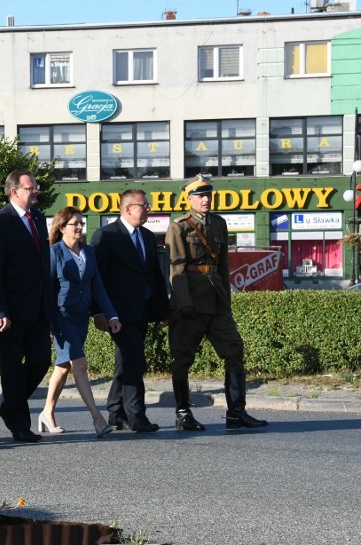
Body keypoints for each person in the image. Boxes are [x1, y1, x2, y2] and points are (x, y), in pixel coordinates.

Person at [167, 174, 269, 431]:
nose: (206, 200)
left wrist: (227, 299)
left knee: (234, 349)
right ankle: (183, 413)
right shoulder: (179, 227)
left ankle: (236, 412)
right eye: (200, 196)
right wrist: (183, 302)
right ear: (189, 199)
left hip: (217, 301)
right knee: (182, 358)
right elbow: (176, 268)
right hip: (190, 301)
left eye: (208, 195)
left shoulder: (219, 224)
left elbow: (222, 266)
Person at [91, 189, 169, 433]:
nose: (148, 209)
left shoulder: (146, 236)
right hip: (118, 313)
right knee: (135, 359)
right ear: (127, 209)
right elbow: (95, 277)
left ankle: (116, 411)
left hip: (142, 310)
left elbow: (154, 276)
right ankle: (137, 416)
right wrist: (98, 312)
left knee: (126, 361)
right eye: (143, 205)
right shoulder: (106, 235)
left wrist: (163, 309)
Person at [0, 170, 52, 443]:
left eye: (36, 186)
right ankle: (20, 426)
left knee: (40, 361)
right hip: (8, 311)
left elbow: (42, 264)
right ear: (14, 192)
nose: (36, 190)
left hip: (37, 308)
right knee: (11, 369)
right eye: (30, 187)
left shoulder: (38, 217)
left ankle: (7, 402)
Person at [38, 207, 121, 437]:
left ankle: (47, 412)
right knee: (80, 364)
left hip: (80, 317)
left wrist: (111, 315)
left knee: (63, 366)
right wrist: (47, 324)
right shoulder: (54, 252)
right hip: (61, 316)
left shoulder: (89, 252)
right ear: (62, 227)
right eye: (74, 223)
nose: (79, 227)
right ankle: (97, 418)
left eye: (80, 223)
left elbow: (97, 287)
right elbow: (47, 290)